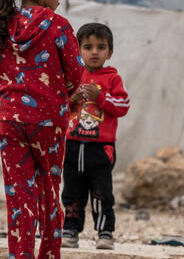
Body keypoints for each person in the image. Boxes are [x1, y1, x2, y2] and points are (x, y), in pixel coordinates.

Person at [0, 0, 87, 259]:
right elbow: (77, 78)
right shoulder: (59, 26)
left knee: (17, 198)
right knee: (49, 194)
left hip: (8, 121)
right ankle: (49, 255)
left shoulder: (3, 24)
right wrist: (62, 96)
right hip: (48, 124)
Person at [62, 22, 131, 250]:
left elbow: (123, 105)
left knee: (101, 193)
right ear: (78, 50)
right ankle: (70, 230)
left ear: (109, 52)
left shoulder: (112, 79)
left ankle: (105, 232)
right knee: (72, 191)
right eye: (88, 47)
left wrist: (100, 97)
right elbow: (60, 106)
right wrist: (71, 99)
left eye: (100, 47)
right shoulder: (73, 76)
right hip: (72, 145)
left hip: (100, 149)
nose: (94, 52)